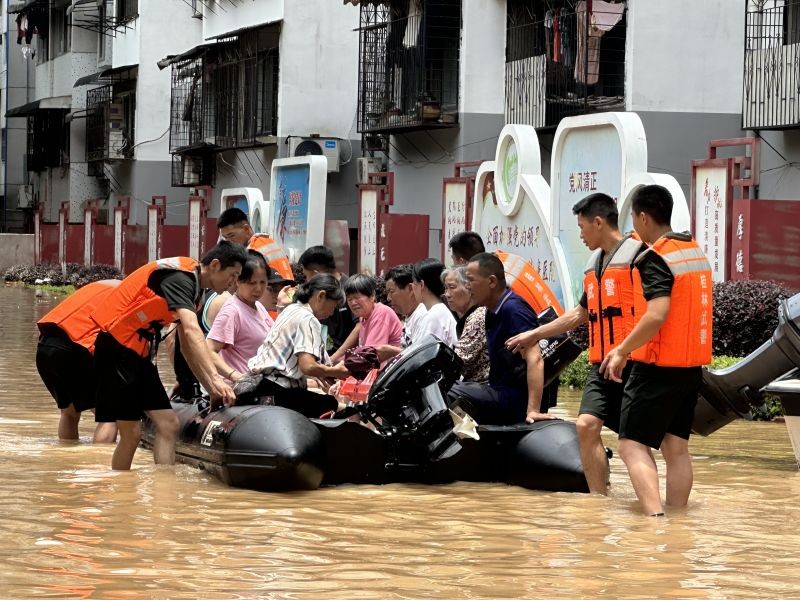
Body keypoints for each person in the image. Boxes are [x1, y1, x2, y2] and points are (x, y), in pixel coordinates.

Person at [505, 192, 644, 494]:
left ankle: (653, 506)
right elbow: (580, 314)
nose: (580, 235)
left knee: (636, 442)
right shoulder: (596, 264)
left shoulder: (639, 256)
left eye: (582, 227)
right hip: (601, 364)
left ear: (598, 222)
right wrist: (535, 334)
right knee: (586, 426)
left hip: (635, 363)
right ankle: (598, 501)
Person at [600, 184, 712, 516]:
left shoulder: (655, 258)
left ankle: (654, 520)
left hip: (657, 367)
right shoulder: (693, 251)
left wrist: (622, 350)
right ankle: (677, 519)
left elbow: (657, 314)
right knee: (676, 448)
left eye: (634, 219)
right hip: (689, 369)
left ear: (644, 217)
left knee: (630, 445)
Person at [91, 241, 248, 470]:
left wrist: (211, 389)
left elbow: (187, 348)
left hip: (139, 355)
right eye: (232, 275)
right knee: (131, 434)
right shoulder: (180, 279)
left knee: (169, 425)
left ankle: (165, 489)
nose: (234, 283)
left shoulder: (196, 292)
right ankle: (118, 488)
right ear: (215, 265)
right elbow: (192, 331)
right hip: (116, 351)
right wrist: (216, 379)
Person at [447, 253, 555, 425]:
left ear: (491, 281)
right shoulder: (491, 310)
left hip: (512, 399)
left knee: (449, 390)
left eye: (471, 280)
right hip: (497, 390)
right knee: (442, 386)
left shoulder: (514, 309)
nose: (467, 286)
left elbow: (535, 359)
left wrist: (533, 410)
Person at [244, 274, 351, 418]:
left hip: (260, 385)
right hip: (277, 390)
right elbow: (308, 366)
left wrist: (325, 373)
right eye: (333, 306)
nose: (332, 313)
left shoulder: (292, 309)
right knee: (334, 406)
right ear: (321, 296)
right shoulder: (308, 319)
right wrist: (336, 372)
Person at [36, 279, 121, 443]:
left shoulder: (101, 287)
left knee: (69, 412)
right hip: (75, 348)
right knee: (110, 414)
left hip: (45, 346)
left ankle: (67, 456)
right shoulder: (128, 298)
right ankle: (100, 459)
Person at [206, 250, 274, 385]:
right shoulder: (232, 311)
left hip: (261, 384)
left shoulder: (258, 306)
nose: (258, 288)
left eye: (263, 282)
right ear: (238, 281)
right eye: (252, 283)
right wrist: (235, 376)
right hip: (241, 389)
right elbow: (208, 350)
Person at [290, 245, 357, 357]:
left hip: (341, 361)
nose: (307, 281)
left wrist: (335, 357)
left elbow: (360, 326)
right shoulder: (314, 292)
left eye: (307, 276)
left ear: (317, 274)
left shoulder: (350, 287)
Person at [217, 207, 293, 281]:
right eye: (225, 237)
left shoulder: (251, 252)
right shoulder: (269, 241)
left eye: (231, 235)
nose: (228, 241)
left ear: (246, 229)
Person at [337, 274, 402, 358]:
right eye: (349, 299)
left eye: (357, 297)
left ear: (372, 296)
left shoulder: (381, 313)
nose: (353, 303)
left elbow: (369, 357)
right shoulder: (363, 317)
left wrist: (338, 364)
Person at [442, 266, 489, 383]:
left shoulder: (478, 316)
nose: (447, 294)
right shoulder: (469, 316)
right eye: (445, 288)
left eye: (452, 287)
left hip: (484, 385)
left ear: (469, 287)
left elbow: (456, 363)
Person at [411, 258, 457, 347]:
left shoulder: (434, 316)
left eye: (413, 282)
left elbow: (423, 353)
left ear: (422, 284)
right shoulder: (440, 310)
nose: (412, 286)